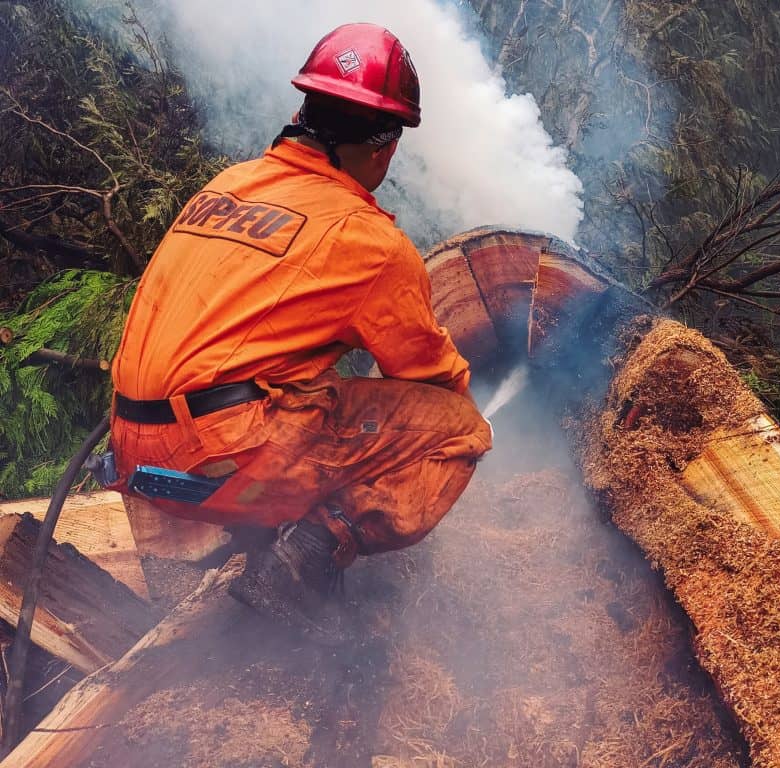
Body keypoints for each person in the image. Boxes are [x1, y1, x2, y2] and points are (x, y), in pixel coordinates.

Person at [109, 23, 493, 637]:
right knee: (456, 431)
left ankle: (269, 531)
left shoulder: (225, 186)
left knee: (310, 391)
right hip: (222, 472)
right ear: (385, 147)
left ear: (300, 113)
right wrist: (477, 429)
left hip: (137, 463)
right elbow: (429, 379)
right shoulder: (369, 242)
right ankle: (302, 561)